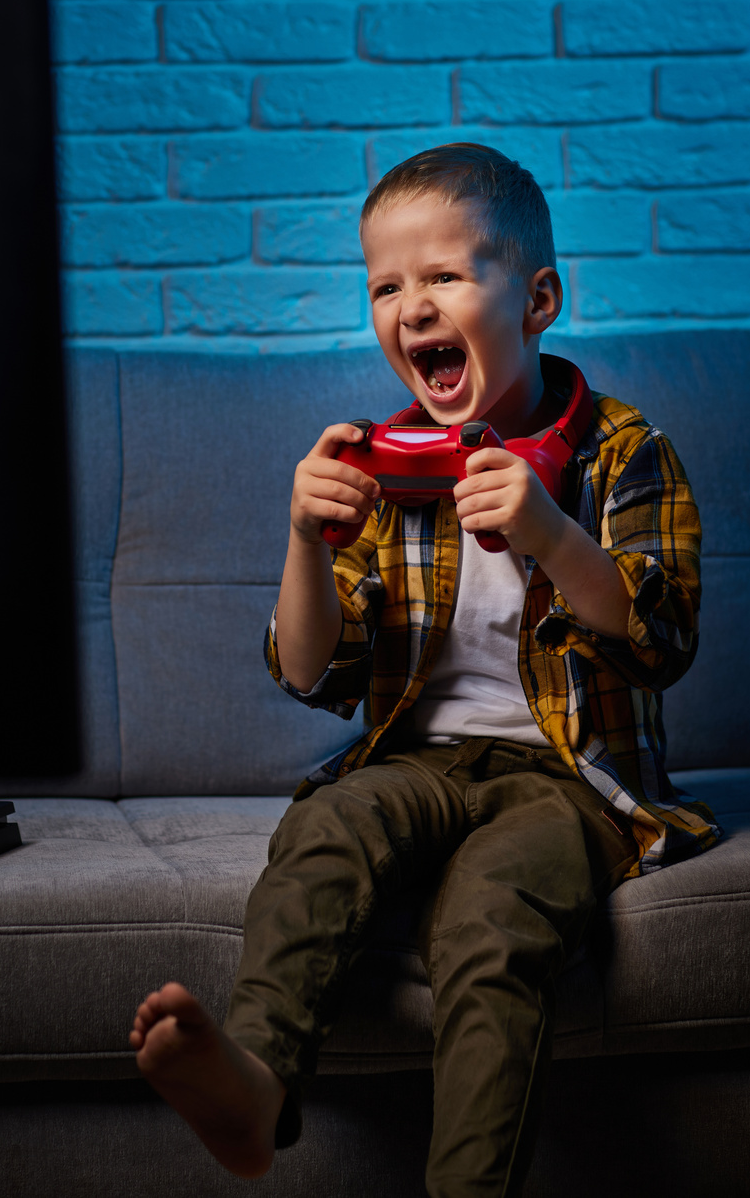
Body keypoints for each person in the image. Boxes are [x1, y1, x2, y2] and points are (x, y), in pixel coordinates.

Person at [129, 143, 719, 1196]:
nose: (412, 306)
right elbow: (316, 676)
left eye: (444, 276)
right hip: (418, 760)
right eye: (386, 286)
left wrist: (549, 533)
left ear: (538, 298)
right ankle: (256, 1084)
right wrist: (305, 539)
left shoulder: (625, 452)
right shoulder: (379, 465)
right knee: (326, 829)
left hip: (569, 781)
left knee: (495, 921)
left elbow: (660, 638)